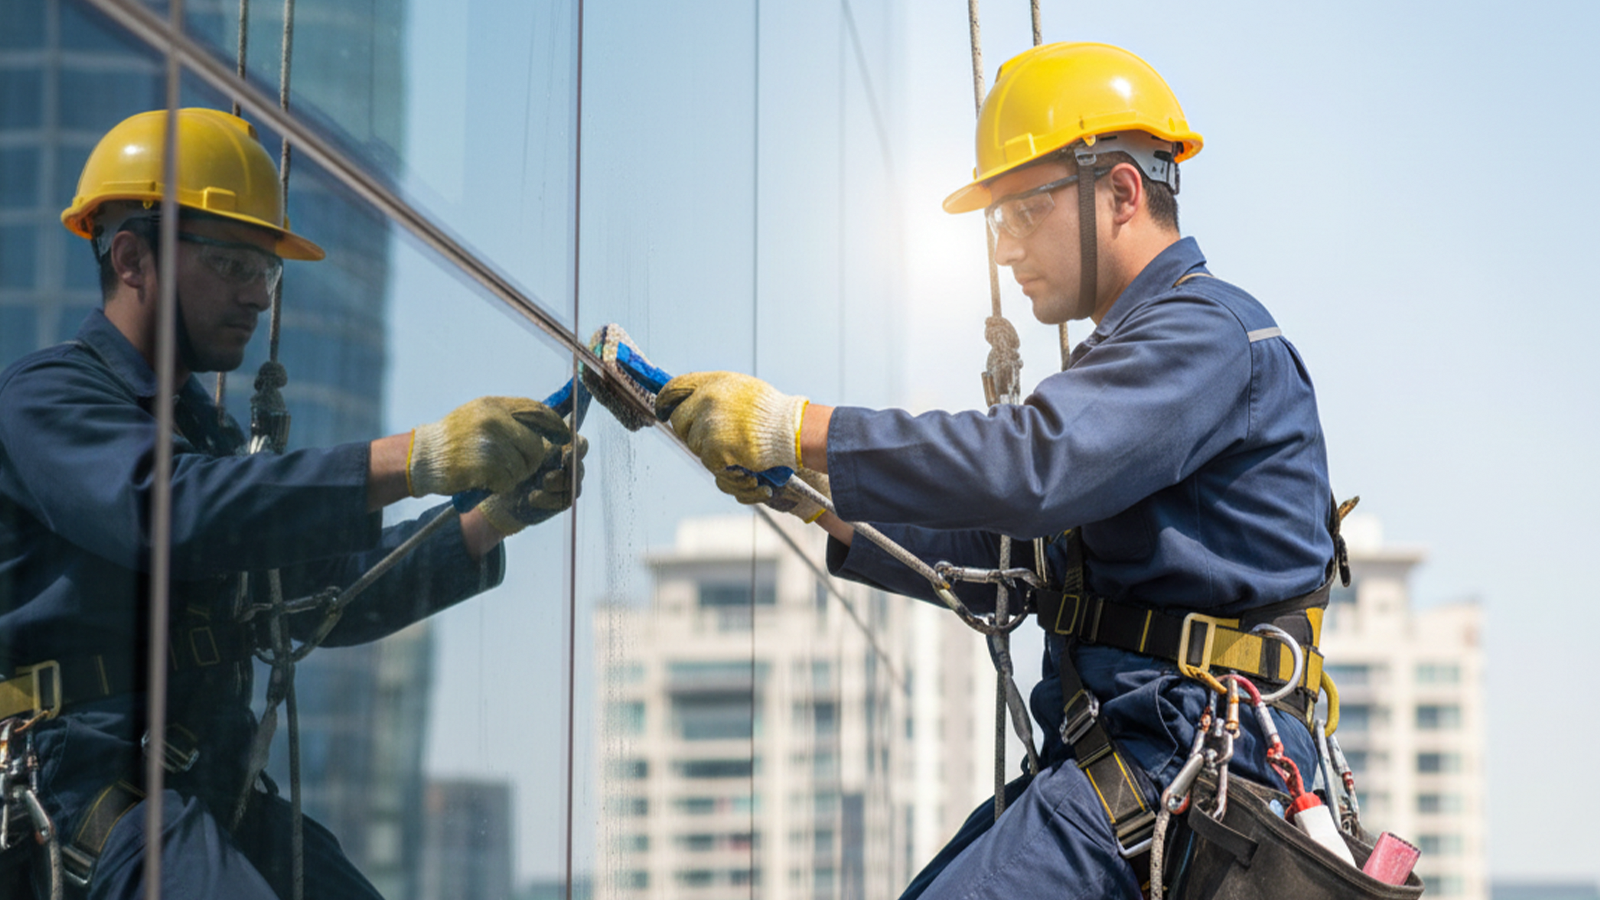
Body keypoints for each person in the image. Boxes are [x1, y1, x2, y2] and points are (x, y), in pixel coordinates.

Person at [656, 43, 1343, 899]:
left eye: (1023, 210)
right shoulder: (1133, 357)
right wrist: (805, 498)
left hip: (1185, 760)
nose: (1007, 247)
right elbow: (1012, 553)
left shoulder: (1205, 338)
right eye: (997, 222)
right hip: (1131, 765)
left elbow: (1030, 465)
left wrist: (796, 429)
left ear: (1122, 192)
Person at [0, 108, 582, 899]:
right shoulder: (48, 399)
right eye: (232, 265)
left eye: (265, 273)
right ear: (132, 258)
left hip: (206, 787)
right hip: (89, 793)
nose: (258, 299)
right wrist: (410, 460)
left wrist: (493, 519)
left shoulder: (203, 434)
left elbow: (314, 599)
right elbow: (166, 509)